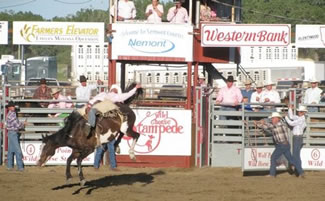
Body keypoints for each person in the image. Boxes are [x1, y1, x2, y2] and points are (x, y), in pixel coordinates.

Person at [256, 112, 304, 178]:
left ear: (277, 119)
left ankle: (272, 174)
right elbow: (267, 126)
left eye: (273, 118)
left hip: (282, 145)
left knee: (273, 157)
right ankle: (301, 172)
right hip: (285, 144)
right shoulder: (281, 124)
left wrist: (260, 123)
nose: (272, 120)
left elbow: (268, 126)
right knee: (291, 159)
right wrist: (259, 124)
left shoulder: (278, 124)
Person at [285, 105, 307, 176]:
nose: (299, 112)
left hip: (297, 138)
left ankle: (300, 171)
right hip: (297, 138)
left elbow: (291, 123)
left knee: (295, 155)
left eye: (300, 112)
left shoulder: (301, 119)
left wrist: (285, 117)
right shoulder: (300, 118)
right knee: (296, 155)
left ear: (303, 112)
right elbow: (291, 117)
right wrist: (290, 109)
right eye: (299, 111)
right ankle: (299, 171)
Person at [5, 101, 27, 171]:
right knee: (17, 150)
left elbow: (16, 123)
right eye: (12, 106)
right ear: (9, 108)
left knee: (11, 150)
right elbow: (17, 125)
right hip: (13, 133)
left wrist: (21, 123)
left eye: (13, 106)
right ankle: (20, 167)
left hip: (11, 133)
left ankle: (9, 166)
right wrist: (23, 124)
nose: (13, 107)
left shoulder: (11, 114)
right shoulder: (12, 114)